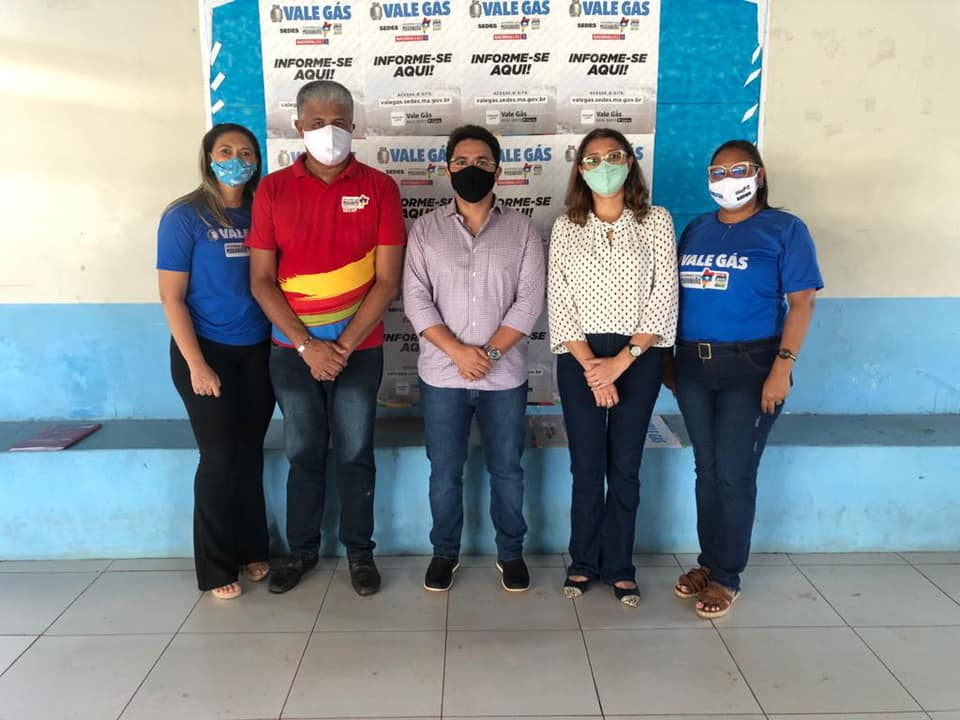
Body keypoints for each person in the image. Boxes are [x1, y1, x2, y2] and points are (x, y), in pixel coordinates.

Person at [246, 81, 405, 596]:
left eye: (338, 122)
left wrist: (341, 348)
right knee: (303, 453)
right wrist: (307, 346)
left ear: (354, 126)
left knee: (356, 454)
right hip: (292, 353)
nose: (328, 132)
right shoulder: (272, 190)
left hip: (360, 351)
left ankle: (360, 553)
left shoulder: (380, 188)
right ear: (298, 127)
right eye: (316, 123)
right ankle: (301, 552)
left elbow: (387, 280)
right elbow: (261, 281)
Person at [670, 140, 822, 619]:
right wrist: (670, 361)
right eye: (718, 171)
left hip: (753, 367)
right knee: (707, 469)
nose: (727, 179)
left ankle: (726, 576)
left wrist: (782, 368)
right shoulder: (697, 228)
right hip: (693, 365)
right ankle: (708, 561)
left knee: (735, 473)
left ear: (759, 174)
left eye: (738, 169)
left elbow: (802, 302)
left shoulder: (784, 229)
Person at [403, 125, 546, 593]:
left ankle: (511, 552)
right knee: (445, 472)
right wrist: (458, 353)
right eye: (461, 162)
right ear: (447, 170)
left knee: (507, 470)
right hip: (442, 376)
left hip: (503, 378)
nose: (471, 169)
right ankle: (445, 552)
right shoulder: (425, 230)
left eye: (482, 162)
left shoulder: (523, 230)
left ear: (498, 171)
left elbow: (529, 302)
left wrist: (488, 354)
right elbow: (416, 301)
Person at [548, 128, 678, 606]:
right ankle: (583, 561)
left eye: (613, 156)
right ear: (580, 169)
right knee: (586, 466)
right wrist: (593, 368)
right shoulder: (567, 225)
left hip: (638, 357)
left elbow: (664, 297)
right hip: (578, 359)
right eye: (592, 158)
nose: (603, 166)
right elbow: (559, 301)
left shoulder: (656, 220)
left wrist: (621, 363)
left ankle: (620, 565)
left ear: (629, 163)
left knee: (625, 466)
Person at [157, 123, 274, 600]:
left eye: (245, 152)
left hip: (259, 350)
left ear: (256, 161)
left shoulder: (264, 210)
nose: (236, 159)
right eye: (225, 151)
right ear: (208, 157)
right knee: (219, 456)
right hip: (205, 351)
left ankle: (252, 548)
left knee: (249, 454)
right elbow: (172, 298)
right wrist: (197, 364)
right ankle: (215, 565)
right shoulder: (184, 216)